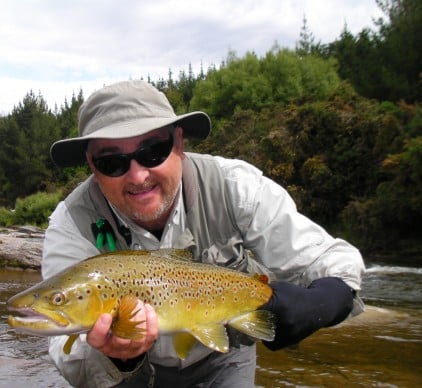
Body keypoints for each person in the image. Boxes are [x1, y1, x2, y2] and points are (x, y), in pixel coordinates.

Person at [43, 80, 365, 387]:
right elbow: (67, 354)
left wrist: (321, 301)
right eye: (112, 161)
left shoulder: (234, 186)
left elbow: (331, 260)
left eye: (153, 150)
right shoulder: (71, 223)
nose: (138, 176)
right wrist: (117, 358)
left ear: (179, 143)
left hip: (224, 359)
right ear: (91, 164)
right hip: (127, 377)